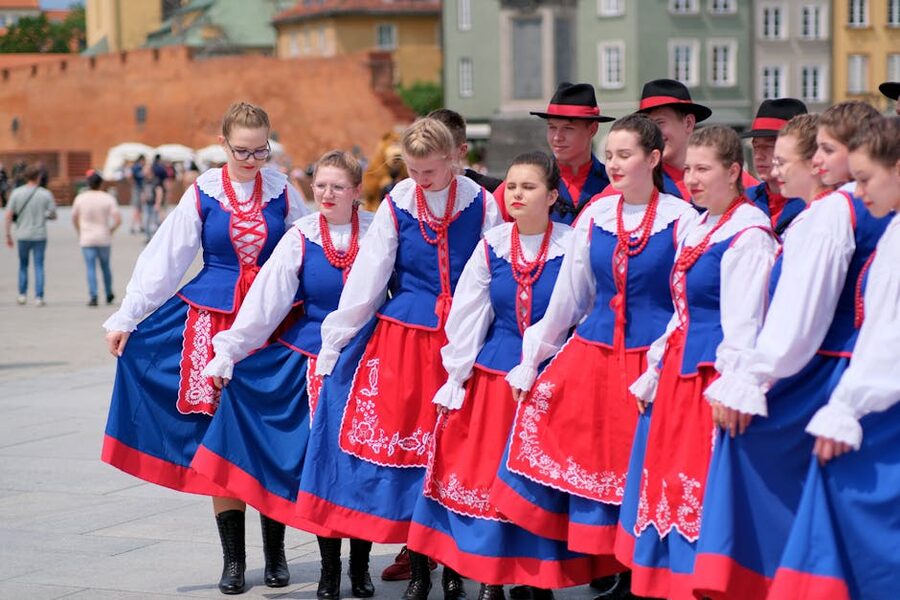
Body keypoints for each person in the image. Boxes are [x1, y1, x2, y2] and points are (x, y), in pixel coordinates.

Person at [100, 102, 308, 595]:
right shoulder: (204, 192)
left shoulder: (284, 191)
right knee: (218, 440)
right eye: (243, 151)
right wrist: (128, 316)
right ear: (222, 144)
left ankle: (277, 553)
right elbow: (166, 259)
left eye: (262, 150)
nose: (253, 160)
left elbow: (310, 245)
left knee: (267, 437)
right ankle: (233, 561)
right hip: (211, 322)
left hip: (273, 323)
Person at [296, 117, 502, 600]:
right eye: (411, 169)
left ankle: (454, 569)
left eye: (428, 171)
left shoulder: (483, 203)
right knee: (409, 455)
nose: (419, 179)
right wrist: (335, 341)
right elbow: (369, 276)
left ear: (455, 158)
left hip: (464, 335)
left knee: (455, 456)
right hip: (405, 339)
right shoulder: (397, 203)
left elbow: (493, 271)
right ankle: (420, 570)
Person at [494, 115, 696, 600]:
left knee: (640, 466)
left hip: (651, 359)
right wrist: (535, 355)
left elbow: (683, 299)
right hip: (595, 353)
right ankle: (556, 568)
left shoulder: (681, 218)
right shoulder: (595, 217)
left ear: (652, 159)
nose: (614, 164)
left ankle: (636, 577)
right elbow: (570, 297)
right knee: (561, 450)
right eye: (609, 155)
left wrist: (661, 360)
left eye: (625, 155)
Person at [697, 103, 891, 599]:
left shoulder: (834, 213)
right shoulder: (850, 210)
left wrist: (755, 378)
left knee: (751, 448)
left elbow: (803, 317)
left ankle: (776, 575)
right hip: (836, 364)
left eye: (829, 149)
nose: (819, 160)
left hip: (824, 370)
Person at [406, 151, 598, 600]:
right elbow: (468, 315)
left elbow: (585, 310)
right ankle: (492, 577)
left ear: (552, 196)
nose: (516, 194)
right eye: (511, 186)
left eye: (528, 187)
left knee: (538, 482)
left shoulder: (573, 245)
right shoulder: (492, 243)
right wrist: (456, 375)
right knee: (488, 477)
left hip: (551, 377)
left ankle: (538, 578)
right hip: (495, 374)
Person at [192, 150, 376, 598]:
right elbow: (267, 298)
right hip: (310, 354)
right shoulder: (301, 236)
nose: (327, 194)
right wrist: (230, 350)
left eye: (337, 187)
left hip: (368, 356)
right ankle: (327, 571)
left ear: (356, 191)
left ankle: (361, 566)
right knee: (317, 461)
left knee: (360, 461)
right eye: (320, 185)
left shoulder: (378, 231)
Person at [616, 126, 776, 600]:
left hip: (712, 373)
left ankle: (704, 585)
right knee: (669, 481)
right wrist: (656, 364)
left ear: (734, 172)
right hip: (681, 368)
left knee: (701, 486)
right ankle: (675, 585)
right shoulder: (701, 224)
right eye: (688, 169)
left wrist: (732, 386)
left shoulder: (750, 235)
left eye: (704, 169)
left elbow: (745, 324)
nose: (692, 179)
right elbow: (681, 310)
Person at [767, 115, 900, 600]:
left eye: (865, 179)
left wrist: (848, 405)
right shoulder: (890, 231)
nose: (859, 191)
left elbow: (890, 335)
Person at [493, 83, 614, 225]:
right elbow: (492, 232)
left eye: (568, 128)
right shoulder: (520, 182)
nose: (557, 137)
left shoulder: (613, 183)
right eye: (552, 127)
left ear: (592, 129)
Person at [636, 79, 758, 202]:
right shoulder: (637, 183)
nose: (652, 133)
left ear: (689, 123)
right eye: (647, 125)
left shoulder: (732, 179)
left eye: (659, 123)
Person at [741, 98, 809, 234]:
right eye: (756, 146)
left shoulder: (813, 202)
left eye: (768, 146)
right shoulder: (745, 199)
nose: (758, 155)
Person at [4, 164, 57, 306]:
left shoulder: (16, 193)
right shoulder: (45, 194)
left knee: (23, 265)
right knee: (39, 265)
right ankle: (39, 296)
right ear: (38, 177)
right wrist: (44, 215)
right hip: (39, 235)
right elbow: (53, 214)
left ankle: (22, 294)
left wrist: (8, 234)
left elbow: (8, 215)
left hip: (22, 234)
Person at [72, 170, 121, 306]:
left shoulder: (81, 198)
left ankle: (93, 295)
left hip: (87, 237)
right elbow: (118, 219)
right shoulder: (107, 198)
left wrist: (79, 231)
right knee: (105, 267)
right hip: (103, 236)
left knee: (90, 268)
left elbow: (74, 217)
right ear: (101, 183)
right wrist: (110, 230)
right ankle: (108, 292)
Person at [428, 108, 503, 193]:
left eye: (442, 150)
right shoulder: (412, 189)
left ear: (462, 150)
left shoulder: (493, 189)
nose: (433, 157)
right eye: (428, 148)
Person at [129, 156, 147, 234]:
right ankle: (133, 226)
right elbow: (132, 176)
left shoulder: (136, 167)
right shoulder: (137, 167)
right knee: (137, 208)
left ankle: (140, 225)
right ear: (142, 160)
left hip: (138, 189)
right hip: (138, 189)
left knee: (139, 209)